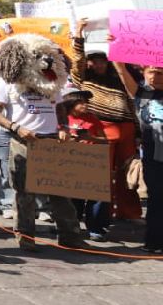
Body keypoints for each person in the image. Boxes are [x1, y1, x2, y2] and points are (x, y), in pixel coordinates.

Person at [0, 43, 89, 252]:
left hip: (51, 141)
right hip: (23, 141)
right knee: (25, 193)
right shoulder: (6, 82)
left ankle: (70, 235)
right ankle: (26, 237)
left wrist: (63, 127)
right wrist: (16, 127)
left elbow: (60, 106)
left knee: (60, 192)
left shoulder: (52, 80)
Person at [71, 21, 142, 221]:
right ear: (88, 63)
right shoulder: (83, 79)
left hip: (126, 129)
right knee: (99, 176)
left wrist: (137, 132)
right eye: (94, 60)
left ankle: (128, 212)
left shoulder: (118, 78)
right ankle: (100, 216)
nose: (100, 63)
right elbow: (76, 60)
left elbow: (131, 104)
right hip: (101, 130)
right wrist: (78, 34)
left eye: (103, 60)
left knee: (127, 173)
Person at [110, 54, 163, 253]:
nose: (154, 77)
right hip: (154, 157)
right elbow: (123, 73)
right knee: (157, 199)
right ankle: (155, 242)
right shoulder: (142, 94)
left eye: (159, 73)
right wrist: (117, 56)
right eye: (151, 72)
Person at [58, 84, 111, 241]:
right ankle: (71, 226)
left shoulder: (93, 119)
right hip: (70, 162)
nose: (85, 105)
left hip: (91, 162)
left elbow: (105, 141)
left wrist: (91, 138)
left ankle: (95, 228)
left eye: (87, 102)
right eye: (81, 102)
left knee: (96, 197)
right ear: (71, 103)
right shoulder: (62, 118)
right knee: (73, 198)